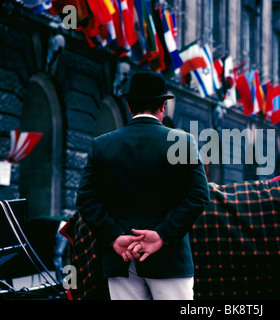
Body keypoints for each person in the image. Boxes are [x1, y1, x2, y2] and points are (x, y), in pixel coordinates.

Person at [76, 71, 209, 300]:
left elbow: (85, 198)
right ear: (162, 107)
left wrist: (115, 236)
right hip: (170, 261)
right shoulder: (183, 142)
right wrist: (161, 235)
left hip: (121, 259)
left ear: (129, 107)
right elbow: (198, 195)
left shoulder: (102, 145)